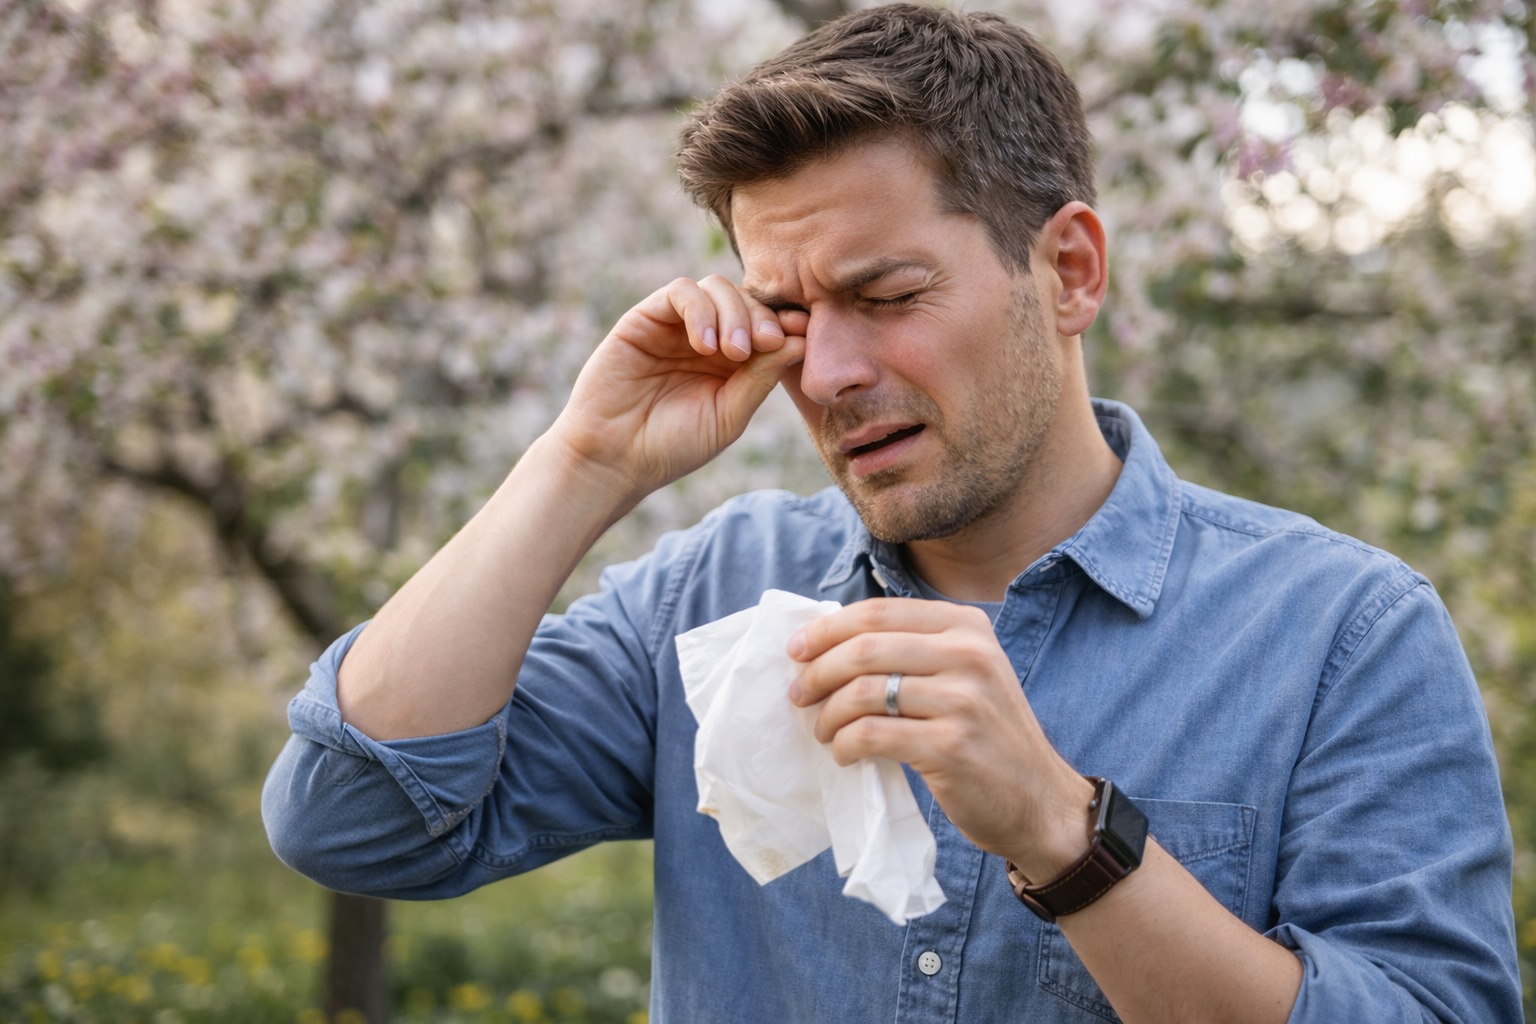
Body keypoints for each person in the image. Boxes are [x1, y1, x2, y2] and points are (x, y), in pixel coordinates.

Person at [262, 5, 1520, 1021]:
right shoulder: (716, 592)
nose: (827, 374)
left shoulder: (1344, 634)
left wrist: (1063, 834)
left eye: (888, 293)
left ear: (1070, 269)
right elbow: (352, 818)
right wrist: (583, 461)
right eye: (795, 314)